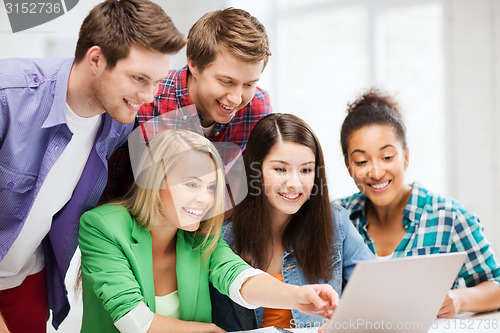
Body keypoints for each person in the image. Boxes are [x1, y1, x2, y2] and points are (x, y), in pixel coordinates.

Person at [0, 1, 186, 331]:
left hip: (26, 278)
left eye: (157, 81)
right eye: (139, 78)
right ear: (96, 59)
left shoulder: (118, 123)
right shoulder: (8, 96)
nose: (150, 95)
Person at [78, 130, 338, 333]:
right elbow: (134, 321)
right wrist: (210, 331)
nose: (205, 199)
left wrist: (296, 296)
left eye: (211, 188)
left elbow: (240, 278)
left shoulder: (200, 236)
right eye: (192, 184)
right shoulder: (102, 227)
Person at [336, 88, 500, 318]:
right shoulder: (337, 218)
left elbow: (496, 285)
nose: (375, 171)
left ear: (406, 156)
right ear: (348, 166)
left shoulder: (448, 216)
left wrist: (459, 299)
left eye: (387, 157)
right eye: (361, 161)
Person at [210, 113, 374, 330]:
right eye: (280, 169)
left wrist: (347, 324)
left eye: (306, 170)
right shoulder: (224, 238)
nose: (294, 183)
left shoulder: (337, 223)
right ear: (254, 171)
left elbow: (377, 292)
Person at [101, 7, 273, 203]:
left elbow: (242, 183)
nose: (235, 98)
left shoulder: (257, 107)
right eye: (226, 81)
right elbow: (106, 187)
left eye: (249, 84)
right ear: (194, 64)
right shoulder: (146, 101)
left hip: (203, 220)